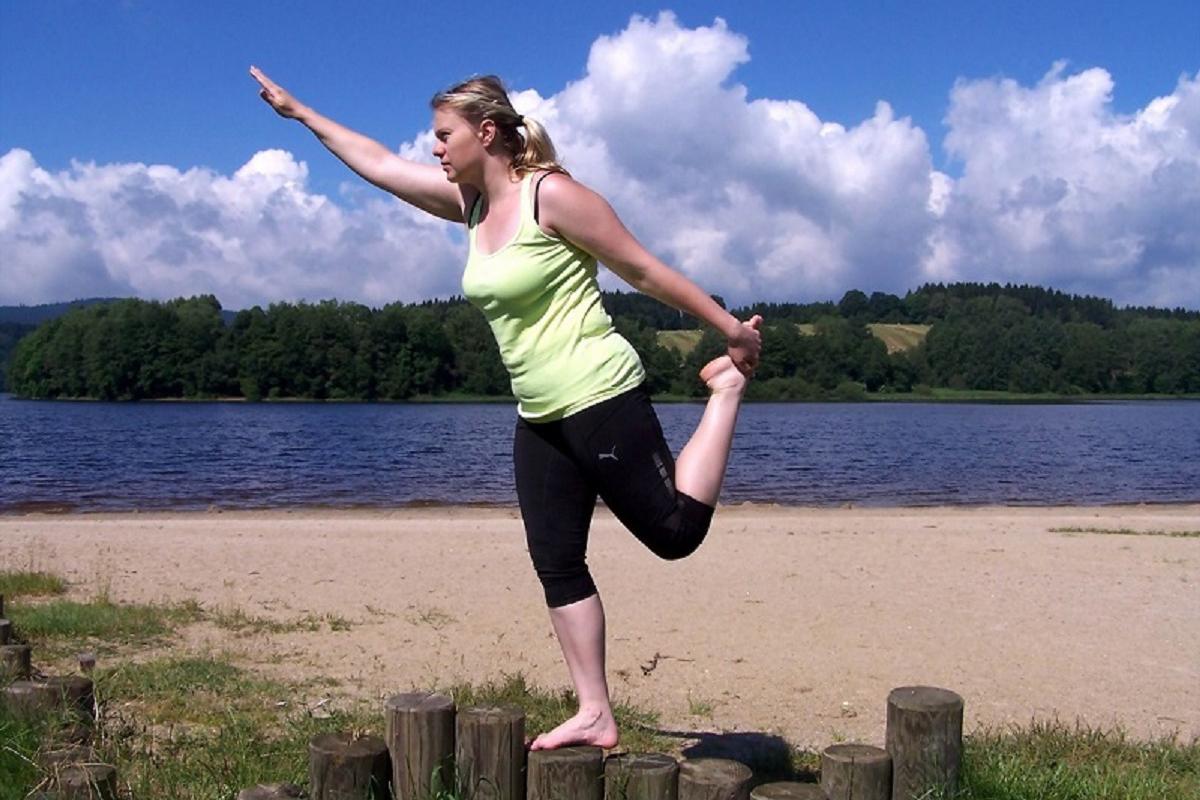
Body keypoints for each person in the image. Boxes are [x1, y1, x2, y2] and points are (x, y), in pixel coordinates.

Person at [249, 67, 762, 750]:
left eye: (443, 135)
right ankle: (594, 710)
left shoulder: (553, 196)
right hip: (538, 417)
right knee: (556, 561)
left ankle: (723, 392)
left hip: (601, 395)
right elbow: (377, 165)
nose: (433, 148)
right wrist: (302, 113)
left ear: (484, 132)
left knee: (674, 534)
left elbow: (643, 269)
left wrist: (728, 328)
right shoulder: (467, 206)